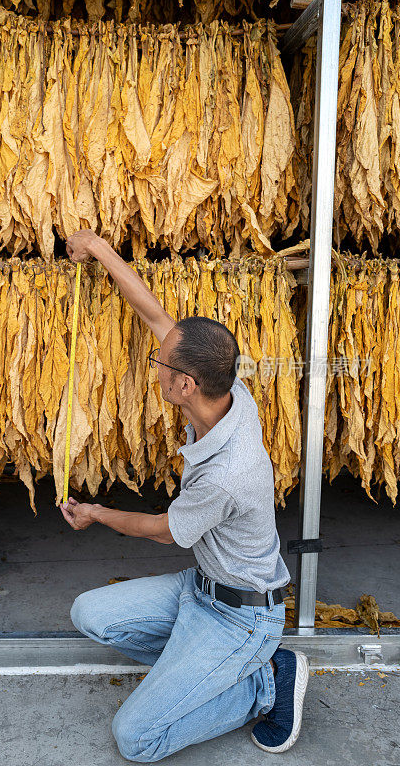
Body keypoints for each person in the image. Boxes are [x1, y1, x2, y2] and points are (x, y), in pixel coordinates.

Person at [59, 229, 309, 762]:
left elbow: (162, 530)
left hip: (243, 617)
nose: (156, 369)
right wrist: (100, 249)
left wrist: (96, 512)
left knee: (137, 739)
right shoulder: (226, 389)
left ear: (185, 386)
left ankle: (265, 680)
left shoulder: (227, 473)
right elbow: (155, 315)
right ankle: (192, 670)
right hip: (199, 588)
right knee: (90, 614)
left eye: (160, 367)